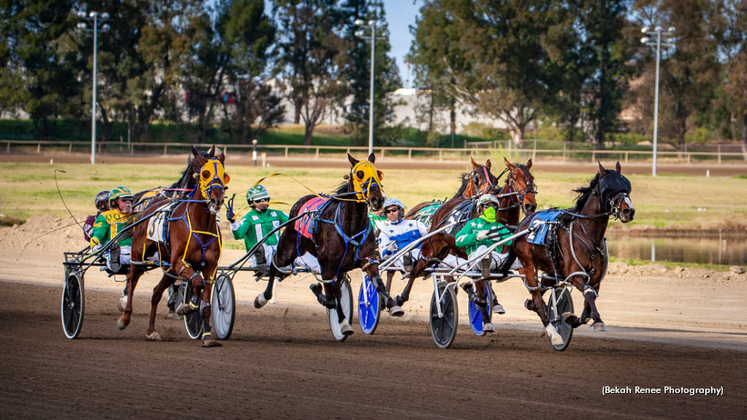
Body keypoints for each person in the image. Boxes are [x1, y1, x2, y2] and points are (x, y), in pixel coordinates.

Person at [227, 185, 320, 275]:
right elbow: (238, 234)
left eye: (266, 199)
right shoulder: (248, 219)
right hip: (260, 257)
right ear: (251, 202)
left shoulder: (276, 214)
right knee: (264, 248)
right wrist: (233, 221)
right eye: (259, 200)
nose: (264, 202)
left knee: (312, 260)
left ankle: (330, 277)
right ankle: (264, 256)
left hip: (280, 253)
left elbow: (296, 222)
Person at [455, 194, 513, 319]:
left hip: (495, 259)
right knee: (483, 249)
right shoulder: (472, 224)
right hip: (475, 258)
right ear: (480, 208)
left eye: (493, 206)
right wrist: (475, 237)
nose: (490, 209)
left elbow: (512, 241)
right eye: (487, 206)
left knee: (518, 254)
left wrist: (506, 239)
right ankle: (485, 265)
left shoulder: (499, 227)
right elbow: (458, 240)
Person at [89, 186, 135, 311]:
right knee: (118, 252)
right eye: (124, 200)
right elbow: (97, 234)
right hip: (114, 250)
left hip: (133, 252)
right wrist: (95, 245)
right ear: (114, 202)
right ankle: (114, 259)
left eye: (130, 200)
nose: (128, 203)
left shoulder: (136, 217)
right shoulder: (105, 217)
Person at [377, 199, 428, 271]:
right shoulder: (385, 232)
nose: (391, 213)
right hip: (401, 256)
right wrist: (389, 249)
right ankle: (411, 266)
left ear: (400, 210)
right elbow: (384, 256)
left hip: (421, 252)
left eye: (394, 210)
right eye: (388, 212)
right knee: (404, 257)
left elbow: (429, 237)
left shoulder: (416, 224)